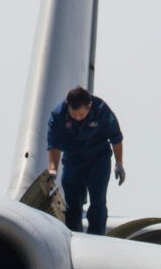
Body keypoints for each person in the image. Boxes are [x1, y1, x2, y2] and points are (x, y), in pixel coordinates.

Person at [47, 86, 125, 234]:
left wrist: (119, 163)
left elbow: (116, 138)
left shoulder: (101, 110)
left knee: (98, 200)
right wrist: (53, 169)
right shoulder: (58, 115)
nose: (77, 118)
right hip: (73, 160)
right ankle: (73, 235)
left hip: (98, 159)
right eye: (73, 115)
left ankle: (96, 237)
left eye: (81, 115)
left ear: (89, 106)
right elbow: (53, 144)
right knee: (72, 203)